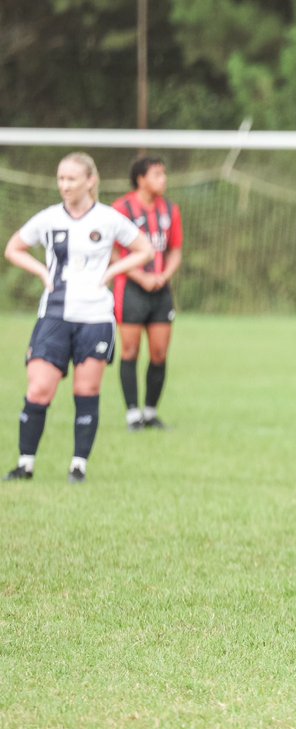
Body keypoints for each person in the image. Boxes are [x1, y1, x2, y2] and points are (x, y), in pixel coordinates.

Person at [3, 152, 154, 483]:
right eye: (60, 178)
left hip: (95, 316)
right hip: (54, 314)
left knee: (87, 390)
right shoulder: (47, 218)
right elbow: (13, 248)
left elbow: (145, 250)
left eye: (71, 179)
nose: (64, 185)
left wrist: (114, 270)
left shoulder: (108, 219)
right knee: (39, 387)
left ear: (90, 181)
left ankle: (78, 466)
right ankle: (25, 464)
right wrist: (42, 272)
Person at [112, 156, 184, 430]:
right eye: (157, 174)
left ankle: (151, 412)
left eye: (164, 174)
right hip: (131, 288)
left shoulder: (170, 210)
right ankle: (133, 414)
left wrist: (164, 275)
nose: (163, 179)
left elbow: (175, 249)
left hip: (160, 290)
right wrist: (139, 276)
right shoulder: (122, 208)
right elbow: (112, 250)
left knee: (159, 352)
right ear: (141, 179)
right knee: (130, 350)